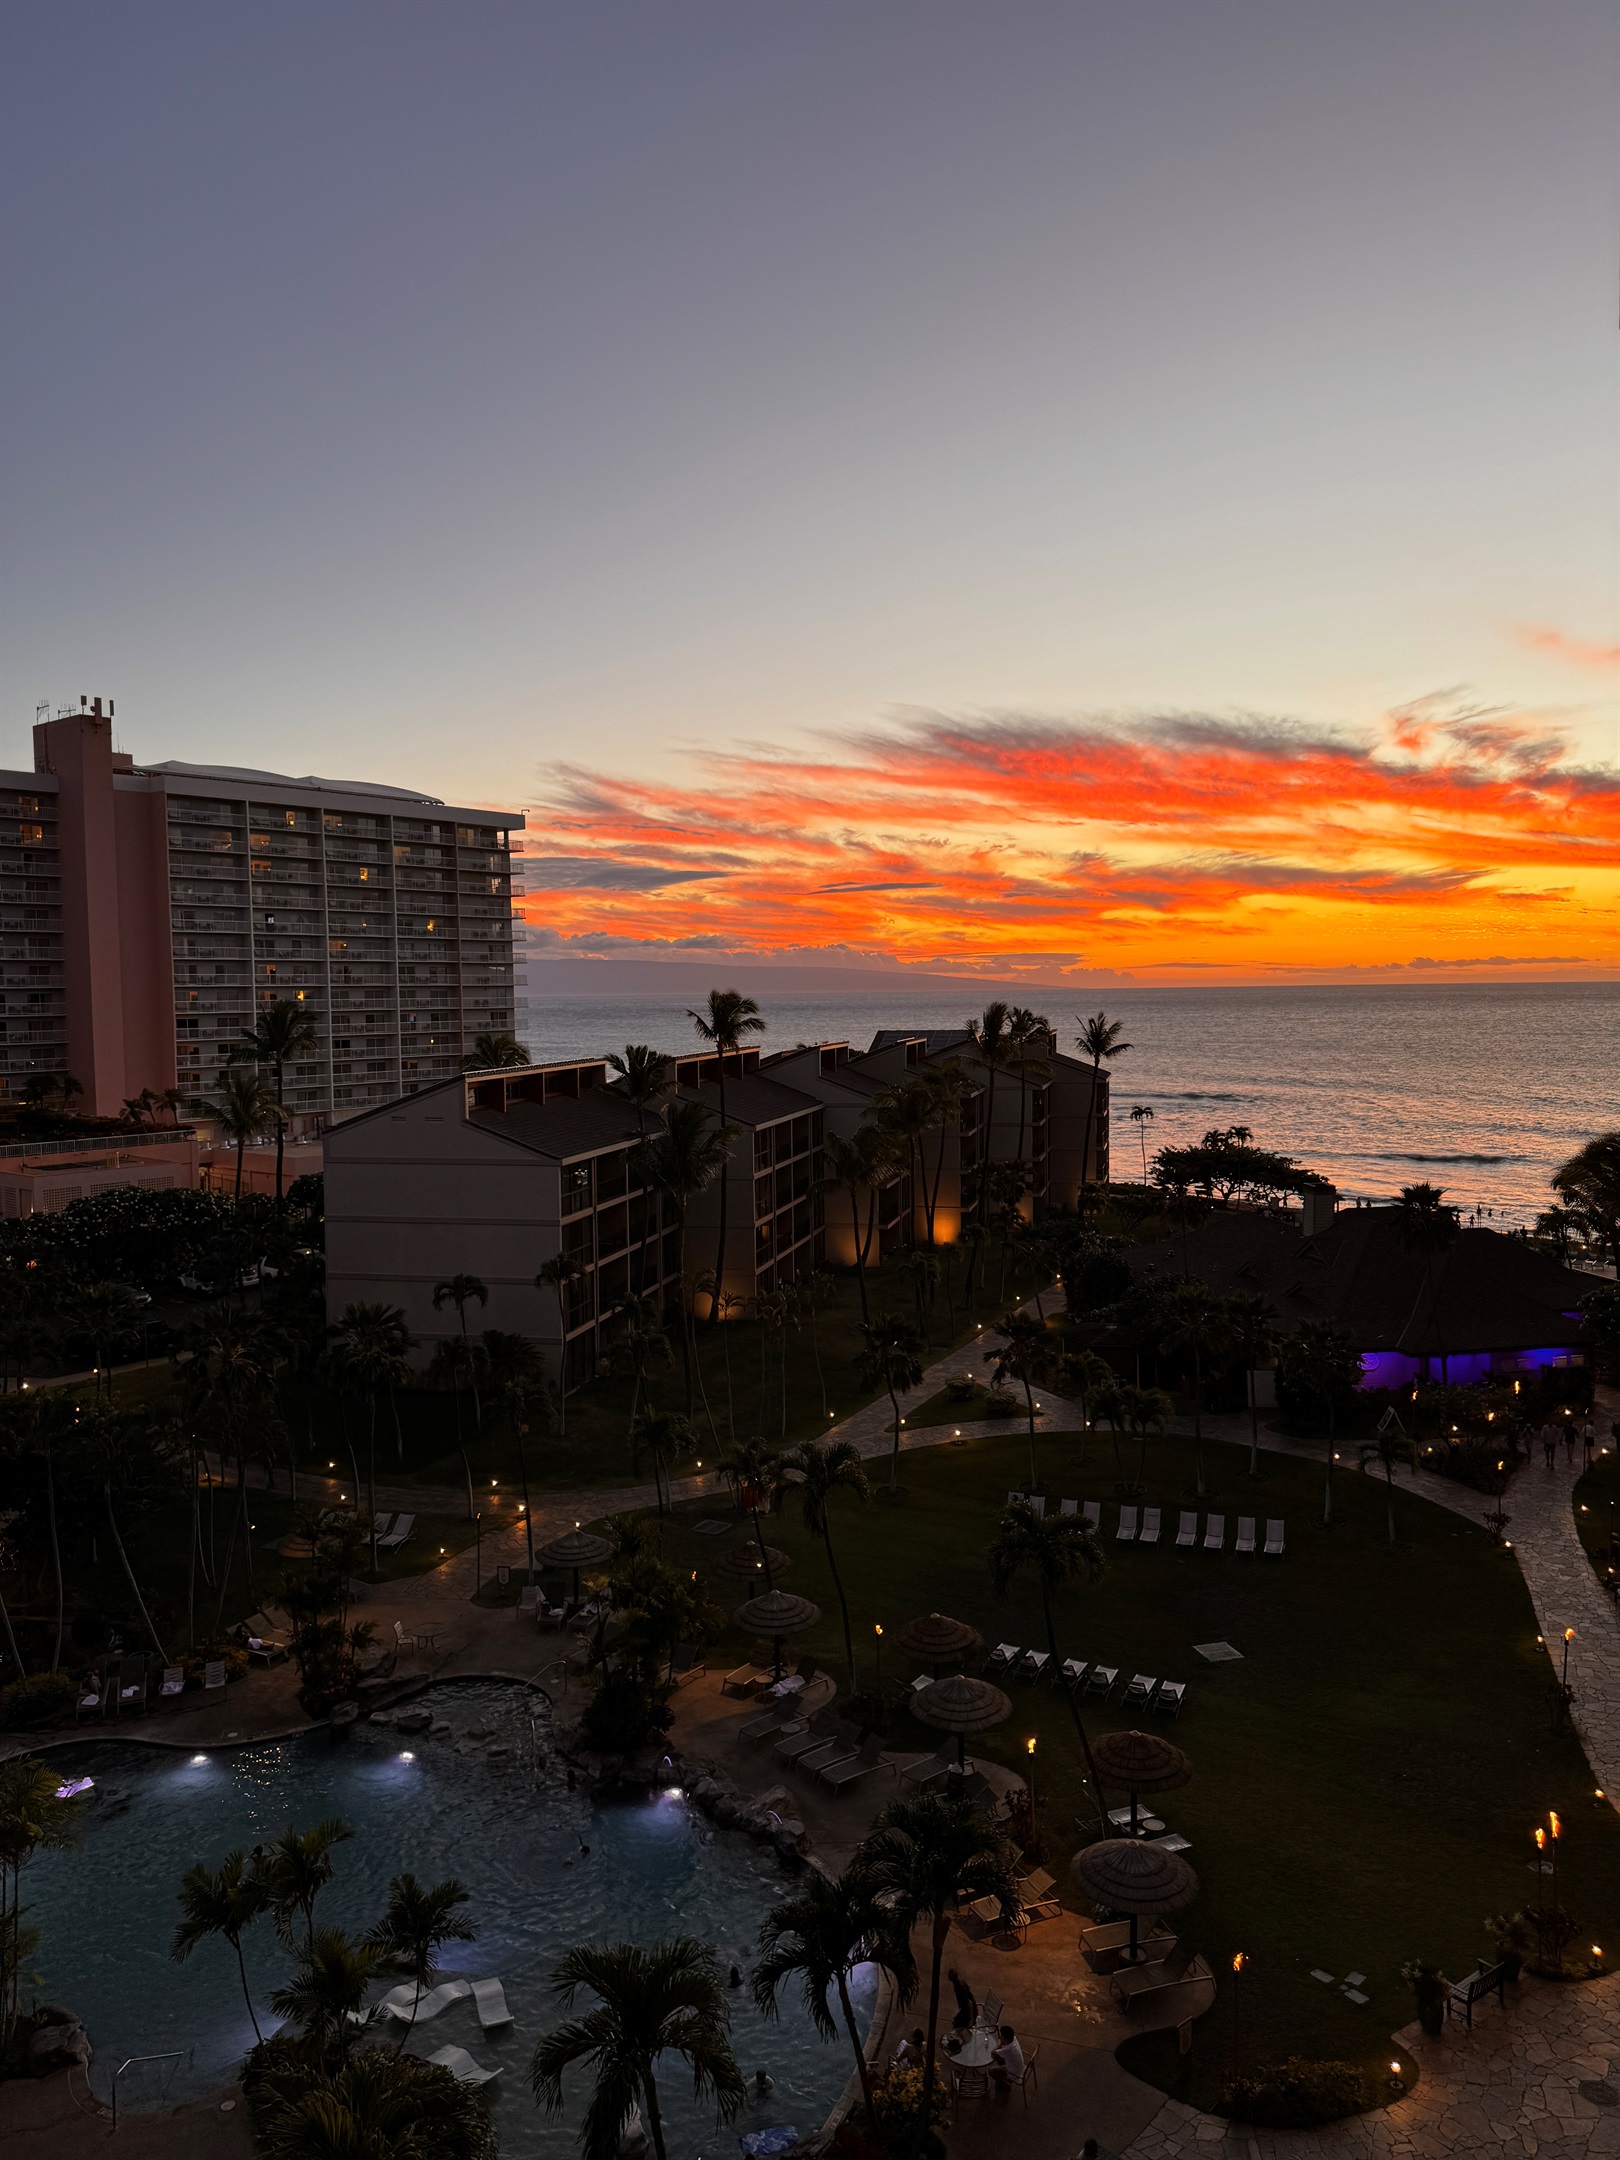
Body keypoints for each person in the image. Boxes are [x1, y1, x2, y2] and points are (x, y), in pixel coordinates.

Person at [991, 2024, 1025, 2089]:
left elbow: (993, 2052)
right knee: (998, 2058)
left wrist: (999, 2043)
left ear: (1005, 2039)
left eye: (1001, 2036)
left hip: (1014, 2072)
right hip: (1019, 2065)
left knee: (991, 2071)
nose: (1000, 2037)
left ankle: (1006, 2085)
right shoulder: (1014, 2039)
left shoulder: (1007, 2049)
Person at [948, 1966, 977, 2032]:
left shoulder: (959, 1990)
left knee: (956, 2028)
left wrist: (958, 2019)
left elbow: (967, 2007)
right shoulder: (960, 1984)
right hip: (968, 2012)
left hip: (969, 2016)